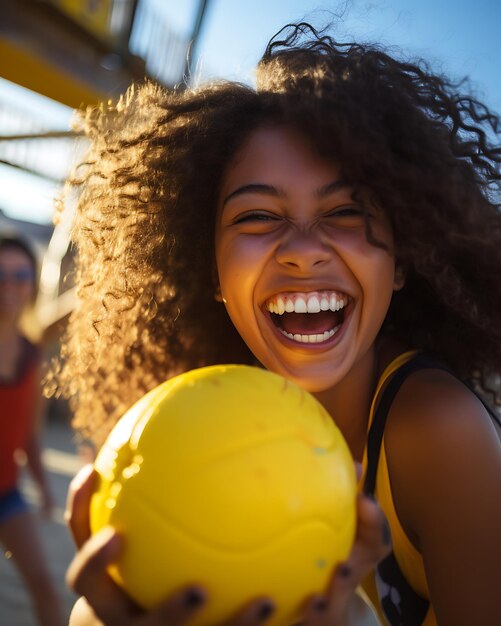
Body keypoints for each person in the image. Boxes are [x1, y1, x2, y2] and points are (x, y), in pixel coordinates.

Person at [55, 22, 501, 626]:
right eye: (258, 216)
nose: (302, 249)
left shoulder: (437, 433)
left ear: (402, 261)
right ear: (209, 269)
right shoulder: (197, 413)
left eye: (345, 211)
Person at [0, 235, 66, 626]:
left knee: (44, 584)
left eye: (20, 275)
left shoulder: (31, 354)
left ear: (32, 283)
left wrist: (41, 487)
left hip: (8, 493)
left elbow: (28, 434)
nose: (10, 286)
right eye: (0, 275)